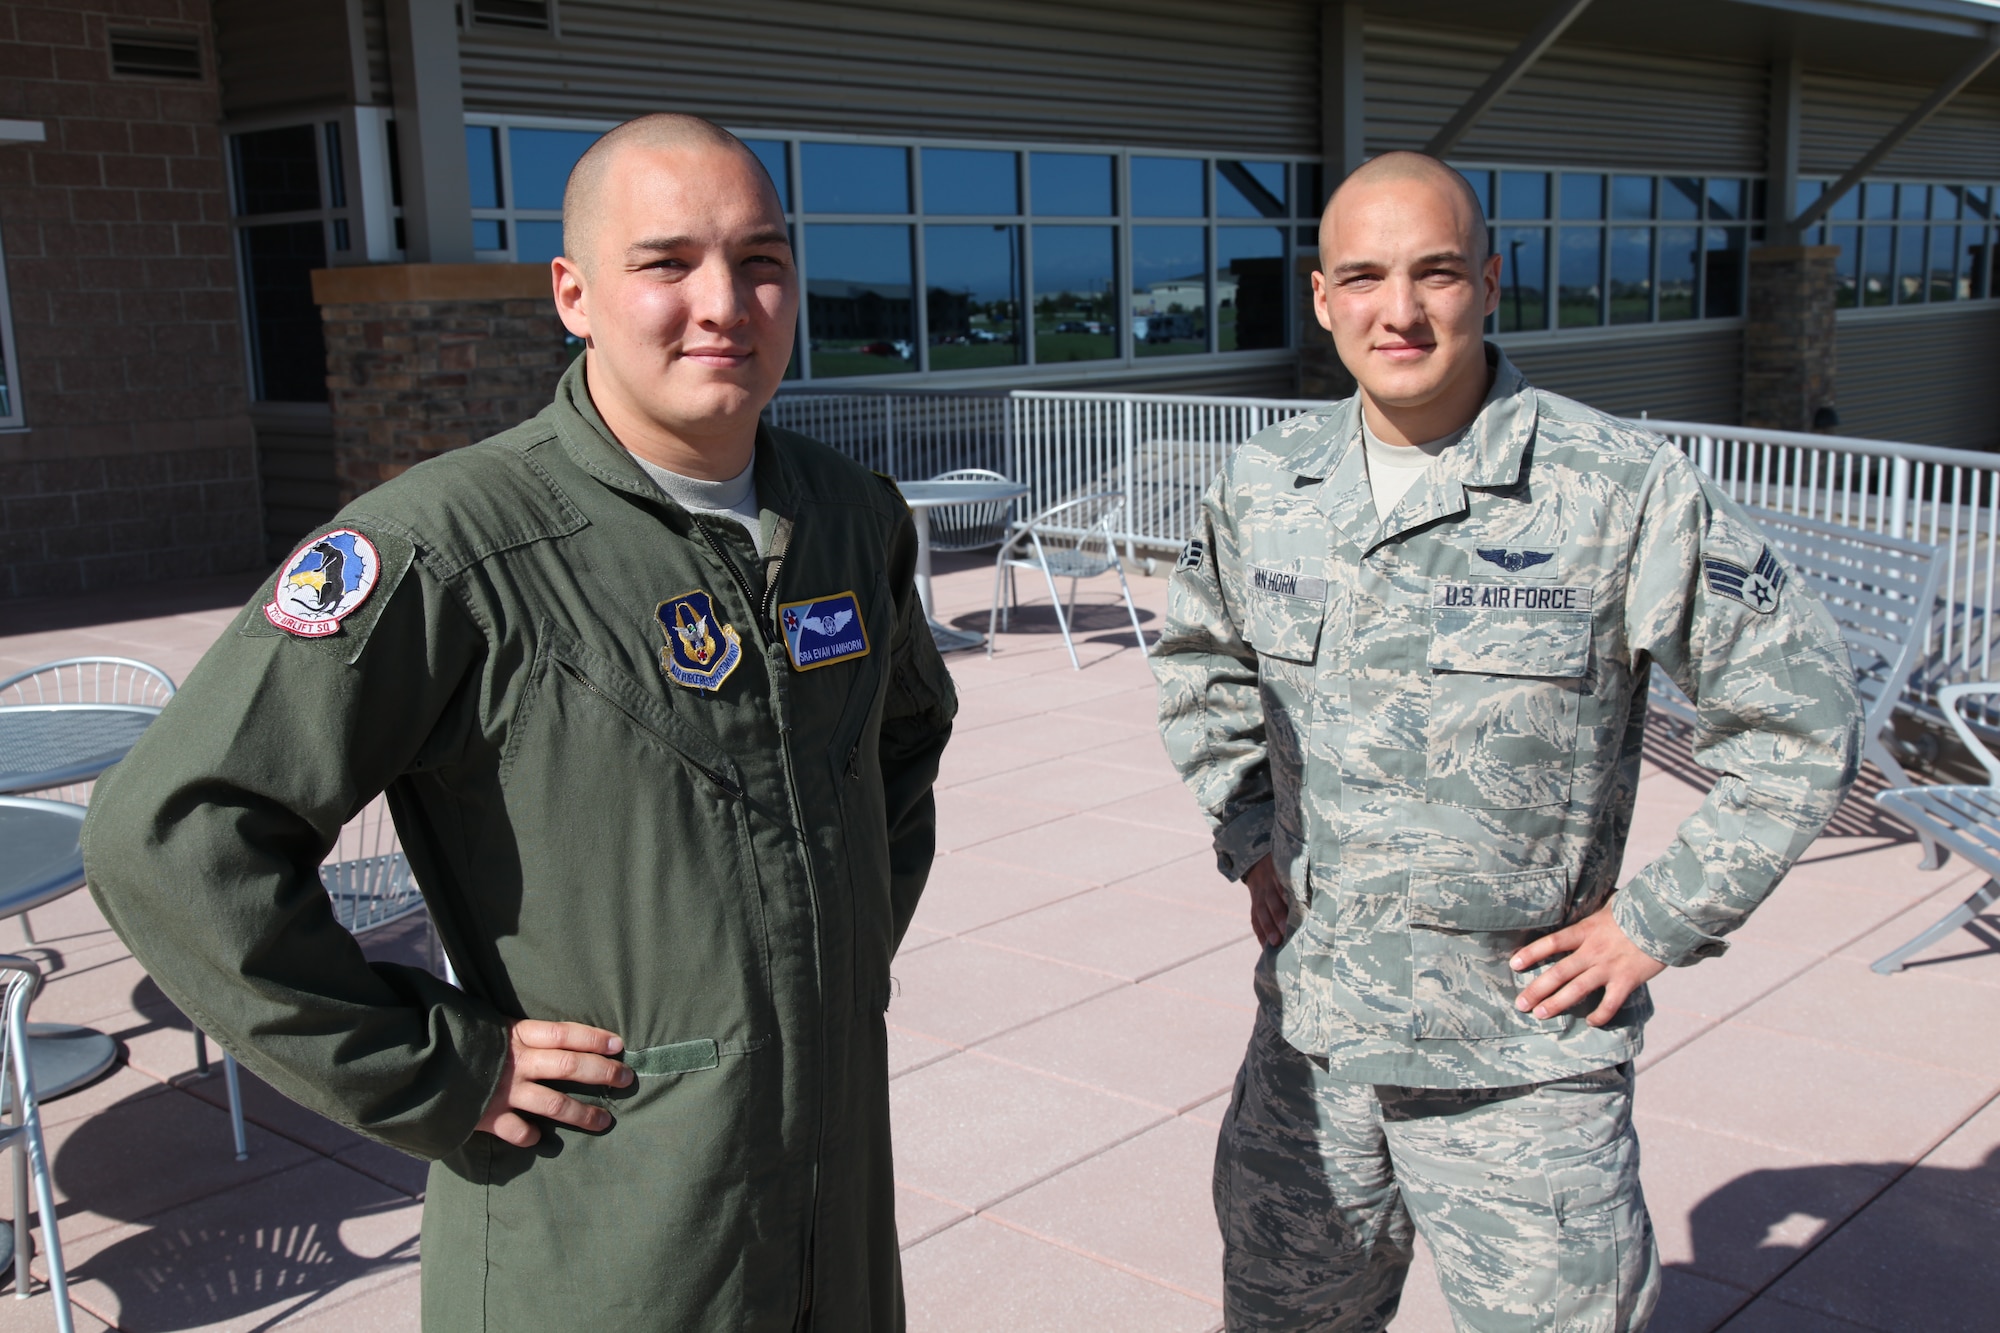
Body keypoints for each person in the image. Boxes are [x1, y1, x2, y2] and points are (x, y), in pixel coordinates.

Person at [82, 114, 956, 1331]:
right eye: (666, 263)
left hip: (829, 1202)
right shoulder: (450, 546)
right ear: (575, 294)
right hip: (608, 1219)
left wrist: (840, 948)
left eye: (761, 259)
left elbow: (901, 742)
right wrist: (436, 1068)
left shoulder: (851, 517)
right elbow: (173, 834)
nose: (724, 301)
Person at [1151, 151, 1861, 1331]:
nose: (1400, 308)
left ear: (1486, 281)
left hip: (1521, 1071)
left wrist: (1657, 921)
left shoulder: (1619, 489)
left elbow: (1796, 719)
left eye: (1433, 271)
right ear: (1320, 297)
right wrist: (1251, 833)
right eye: (1364, 277)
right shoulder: (1264, 484)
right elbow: (1199, 659)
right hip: (1311, 1054)